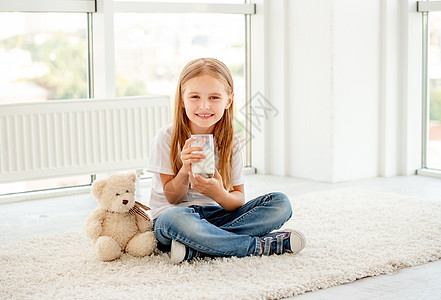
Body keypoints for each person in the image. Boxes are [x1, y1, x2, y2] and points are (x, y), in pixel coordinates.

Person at [146, 57, 306, 263]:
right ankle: (257, 246)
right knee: (174, 219)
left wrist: (219, 194)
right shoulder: (167, 137)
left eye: (214, 97)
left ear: (228, 100)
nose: (204, 106)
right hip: (175, 216)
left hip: (217, 215)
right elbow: (172, 198)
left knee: (280, 203)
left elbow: (237, 200)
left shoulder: (232, 142)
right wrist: (185, 170)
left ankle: (200, 246)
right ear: (182, 99)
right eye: (195, 96)